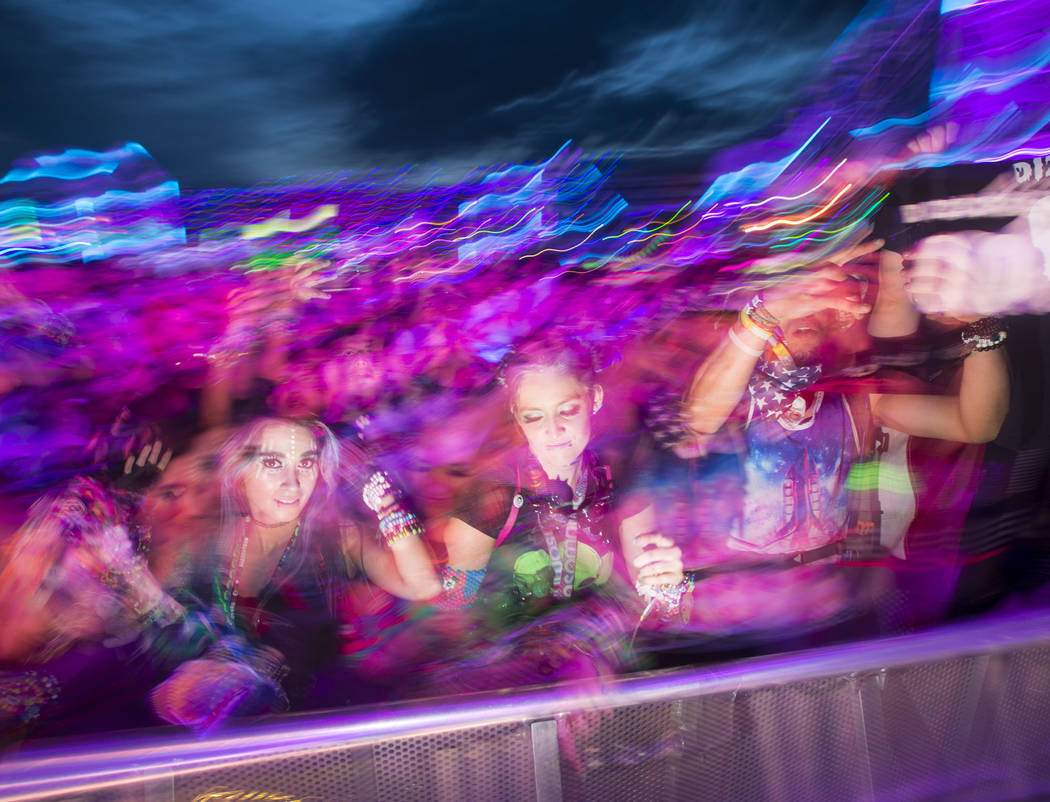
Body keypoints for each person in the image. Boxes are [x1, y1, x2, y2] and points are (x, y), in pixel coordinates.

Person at [421, 333, 686, 691]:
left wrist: (671, 588)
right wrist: (556, 665)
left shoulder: (622, 480)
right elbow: (453, 622)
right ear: (517, 417)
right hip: (508, 694)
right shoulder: (490, 498)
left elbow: (655, 615)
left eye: (567, 410)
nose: (553, 430)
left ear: (594, 399)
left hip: (608, 691)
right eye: (534, 417)